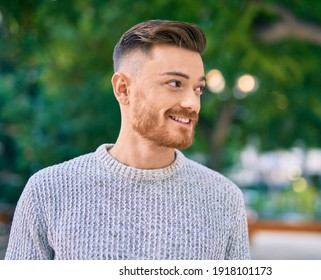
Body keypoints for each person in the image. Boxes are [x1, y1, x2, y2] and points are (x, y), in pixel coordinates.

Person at [5, 19, 250, 260]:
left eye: (198, 88)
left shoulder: (224, 198)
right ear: (123, 88)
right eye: (175, 83)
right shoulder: (48, 191)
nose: (192, 103)